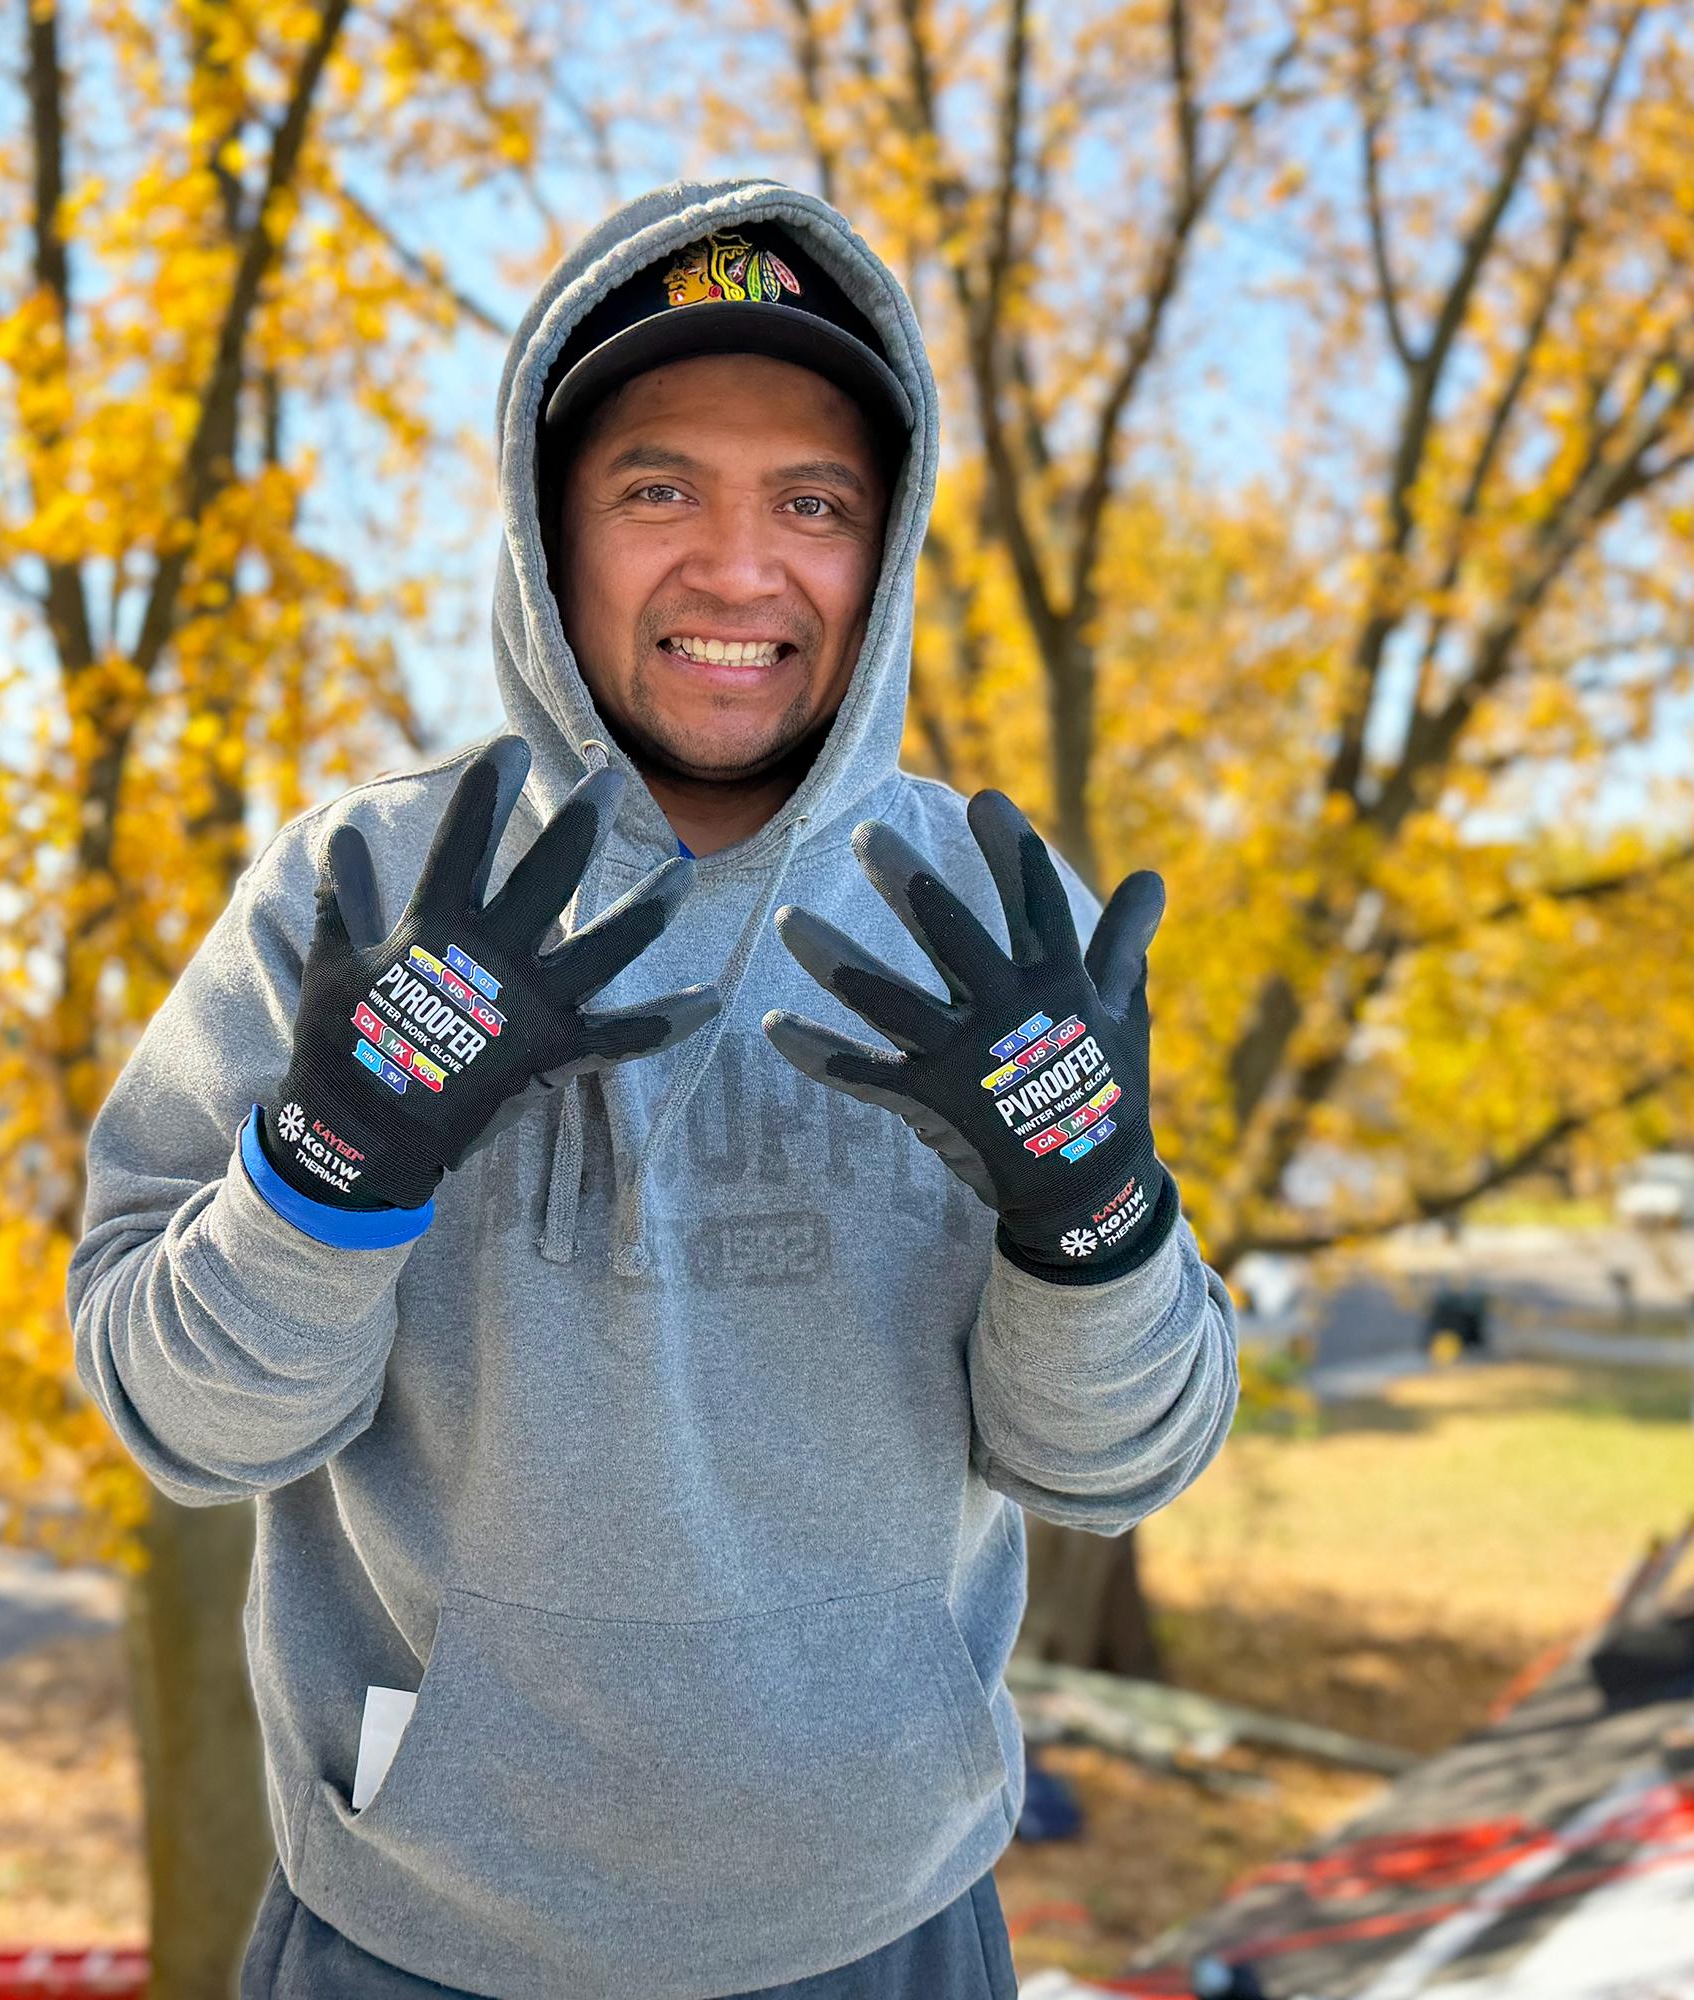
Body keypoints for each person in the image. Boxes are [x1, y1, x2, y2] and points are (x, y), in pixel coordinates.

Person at [68, 177, 1241, 2000]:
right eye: (659, 489)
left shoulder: (995, 930)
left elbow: (1118, 1469)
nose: (740, 569)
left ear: (885, 548)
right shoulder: (361, 896)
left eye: (813, 503)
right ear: (551, 530)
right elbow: (186, 1427)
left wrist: (1090, 1219)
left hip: (886, 1925)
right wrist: (333, 1165)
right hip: (422, 1934)